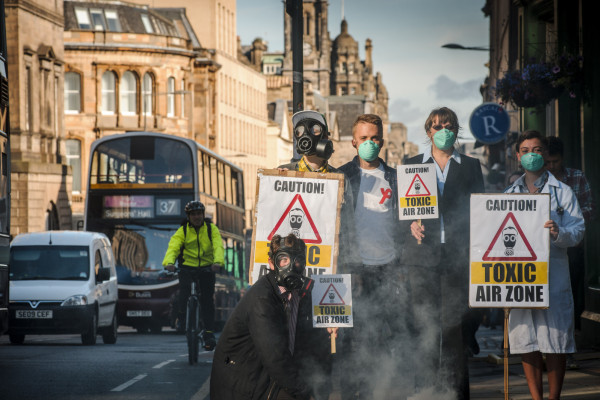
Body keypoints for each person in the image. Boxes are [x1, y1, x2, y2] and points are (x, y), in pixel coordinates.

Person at [401, 107, 484, 399]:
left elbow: (480, 210)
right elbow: (400, 215)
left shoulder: (471, 166)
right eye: (437, 126)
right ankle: (424, 392)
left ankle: (457, 394)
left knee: (454, 331)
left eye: (448, 126)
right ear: (428, 132)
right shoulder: (411, 165)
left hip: (457, 258)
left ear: (457, 130)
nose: (443, 130)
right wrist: (409, 224)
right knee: (424, 329)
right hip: (422, 259)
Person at [505, 130, 584, 400]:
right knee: (525, 337)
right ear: (518, 156)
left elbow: (578, 231)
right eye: (525, 150)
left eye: (537, 150)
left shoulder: (563, 192)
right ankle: (536, 397)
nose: (531, 155)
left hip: (553, 275)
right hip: (520, 276)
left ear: (546, 154)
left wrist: (557, 233)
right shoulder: (508, 194)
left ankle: (554, 398)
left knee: (556, 340)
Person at [337, 114, 409, 399]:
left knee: (385, 334)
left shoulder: (396, 177)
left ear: (382, 141)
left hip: (389, 267)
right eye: (363, 138)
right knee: (351, 338)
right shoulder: (341, 176)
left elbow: (407, 220)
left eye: (374, 138)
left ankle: (381, 390)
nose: (369, 143)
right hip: (354, 268)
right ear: (354, 141)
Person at [210, 234, 327, 400]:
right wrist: (304, 392)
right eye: (284, 259)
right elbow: (275, 357)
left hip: (265, 377)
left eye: (298, 259)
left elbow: (306, 342)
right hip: (243, 386)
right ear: (271, 263)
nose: (292, 266)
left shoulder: (299, 294)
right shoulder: (262, 299)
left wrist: (327, 332)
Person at [546, 136, 595, 331]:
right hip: (546, 248)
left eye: (555, 161)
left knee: (572, 292)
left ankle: (571, 334)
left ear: (562, 158)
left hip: (572, 247)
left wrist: (566, 217)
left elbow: (591, 208)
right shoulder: (538, 181)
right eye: (548, 162)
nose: (551, 166)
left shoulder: (576, 177)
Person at [162, 200, 224, 350]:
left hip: (206, 269)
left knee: (207, 300)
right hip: (187, 268)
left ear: (203, 215)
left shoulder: (211, 229)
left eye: (199, 214)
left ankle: (209, 334)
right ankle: (182, 319)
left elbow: (218, 246)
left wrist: (217, 262)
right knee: (184, 291)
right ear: (189, 217)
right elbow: (174, 247)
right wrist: (169, 263)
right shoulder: (183, 231)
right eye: (193, 214)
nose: (197, 217)